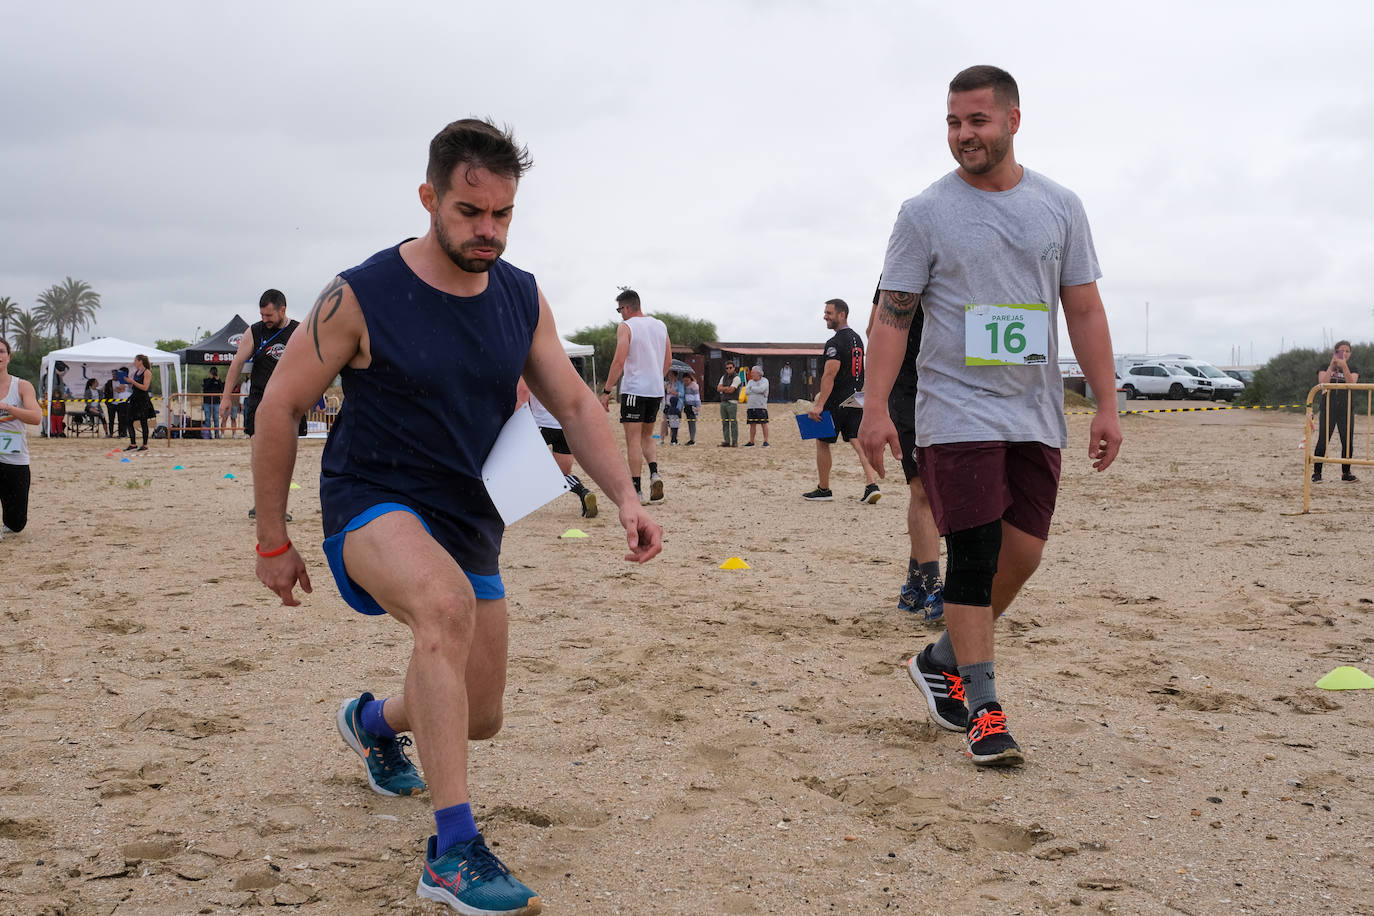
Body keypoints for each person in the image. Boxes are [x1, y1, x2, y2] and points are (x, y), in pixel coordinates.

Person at [248, 117, 662, 916]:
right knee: (443, 607)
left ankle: (373, 721)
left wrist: (627, 497)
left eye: (503, 214)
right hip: (373, 499)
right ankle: (453, 850)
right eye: (471, 213)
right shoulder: (359, 293)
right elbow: (280, 405)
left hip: (473, 514)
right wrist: (273, 537)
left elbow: (572, 400)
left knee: (480, 716)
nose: (489, 231)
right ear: (429, 197)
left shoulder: (518, 293)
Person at [860, 65, 1122, 768]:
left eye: (976, 121)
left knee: (1024, 554)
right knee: (971, 556)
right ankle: (983, 708)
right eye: (952, 122)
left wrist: (1107, 402)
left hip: (1034, 411)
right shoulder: (924, 213)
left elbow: (1085, 308)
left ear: (1011, 120)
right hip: (955, 410)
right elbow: (892, 317)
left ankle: (939, 659)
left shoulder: (1059, 206)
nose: (963, 135)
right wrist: (877, 407)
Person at [867, 281, 943, 621]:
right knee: (923, 489)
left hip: (961, 386)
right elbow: (875, 328)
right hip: (910, 388)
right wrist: (875, 404)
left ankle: (913, 587)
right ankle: (934, 587)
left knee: (949, 488)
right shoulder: (906, 258)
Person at [221, 290, 306, 516]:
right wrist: (226, 397)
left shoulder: (299, 331)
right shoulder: (254, 331)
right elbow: (237, 363)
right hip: (259, 398)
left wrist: (317, 396)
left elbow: (312, 365)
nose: (265, 319)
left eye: (269, 315)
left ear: (282, 309)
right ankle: (262, 503)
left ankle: (280, 507)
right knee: (259, 451)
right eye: (262, 315)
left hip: (289, 399)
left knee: (283, 456)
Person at [598, 289, 672, 505]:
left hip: (634, 390)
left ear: (627, 307)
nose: (619, 313)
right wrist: (657, 379)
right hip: (655, 390)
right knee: (647, 436)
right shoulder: (660, 325)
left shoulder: (626, 326)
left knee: (632, 440)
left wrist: (606, 391)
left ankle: (637, 490)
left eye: (619, 309)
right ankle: (655, 474)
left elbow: (619, 361)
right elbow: (668, 360)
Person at [806, 299, 880, 503]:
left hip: (837, 399)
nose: (825, 316)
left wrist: (820, 404)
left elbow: (830, 374)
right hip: (857, 397)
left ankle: (824, 489)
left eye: (829, 313)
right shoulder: (857, 339)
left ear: (842, 315)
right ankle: (871, 484)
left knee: (822, 441)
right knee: (856, 440)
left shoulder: (835, 342)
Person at [517, 377, 598, 517]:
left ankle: (505, 503)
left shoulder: (528, 362)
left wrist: (517, 424)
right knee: (561, 475)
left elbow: (523, 392)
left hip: (542, 424)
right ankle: (583, 492)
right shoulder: (561, 361)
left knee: (518, 463)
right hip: (566, 426)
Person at [0, 338, 40, 542]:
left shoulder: (22, 386)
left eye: (1, 352)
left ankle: (10, 522)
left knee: (16, 523)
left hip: (15, 457)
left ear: (8, 356)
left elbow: (36, 417)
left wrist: (9, 408)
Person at [1312, 340, 1360, 483]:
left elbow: (1352, 383)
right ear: (1335, 352)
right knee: (1323, 440)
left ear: (1350, 354)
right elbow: (1322, 384)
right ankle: (1317, 473)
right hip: (1328, 408)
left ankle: (1346, 473)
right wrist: (1332, 367)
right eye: (1341, 351)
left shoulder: (1353, 367)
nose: (1344, 354)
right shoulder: (1324, 367)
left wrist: (1344, 366)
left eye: (1347, 351)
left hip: (1346, 409)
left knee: (1347, 441)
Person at [124, 354, 157, 451]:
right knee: (129, 420)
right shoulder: (136, 372)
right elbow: (135, 386)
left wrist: (133, 382)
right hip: (134, 398)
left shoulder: (147, 372)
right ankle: (133, 443)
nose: (134, 362)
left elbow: (145, 387)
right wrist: (128, 382)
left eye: (135, 360)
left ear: (140, 361)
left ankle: (145, 444)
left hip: (143, 400)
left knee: (143, 422)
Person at [716, 359, 740, 446]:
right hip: (724, 402)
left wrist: (724, 388)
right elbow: (718, 388)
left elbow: (731, 390)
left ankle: (734, 441)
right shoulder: (723, 377)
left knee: (733, 422)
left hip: (732, 402)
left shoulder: (737, 378)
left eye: (730, 367)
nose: (728, 369)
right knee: (724, 423)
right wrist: (727, 388)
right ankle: (726, 441)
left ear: (734, 368)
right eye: (727, 368)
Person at [744, 366, 770, 446]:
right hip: (751, 406)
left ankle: (766, 441)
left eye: (753, 372)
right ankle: (751, 441)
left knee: (764, 424)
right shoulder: (750, 382)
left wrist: (752, 389)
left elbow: (762, 389)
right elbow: (746, 391)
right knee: (752, 424)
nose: (751, 374)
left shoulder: (765, 381)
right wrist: (755, 389)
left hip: (761, 406)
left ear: (758, 373)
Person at [202, 366, 224, 439]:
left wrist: (219, 380)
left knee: (216, 419)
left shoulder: (218, 381)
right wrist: (211, 379)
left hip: (216, 403)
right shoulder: (206, 380)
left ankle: (217, 434)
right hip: (207, 402)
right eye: (212, 373)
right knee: (207, 418)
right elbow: (205, 387)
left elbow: (222, 389)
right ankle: (208, 434)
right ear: (210, 373)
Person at [683, 373, 701, 445]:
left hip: (693, 406)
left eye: (687, 380)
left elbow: (697, 396)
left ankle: (692, 439)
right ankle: (691, 438)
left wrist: (698, 406)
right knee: (689, 422)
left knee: (692, 423)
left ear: (690, 379)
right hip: (687, 405)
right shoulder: (684, 386)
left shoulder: (694, 386)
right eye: (684, 381)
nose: (686, 382)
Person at [102, 373, 118, 438]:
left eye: (116, 374)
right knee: (111, 419)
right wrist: (107, 402)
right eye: (113, 374)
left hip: (120, 404)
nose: (114, 376)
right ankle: (111, 433)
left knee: (121, 419)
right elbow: (105, 392)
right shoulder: (109, 382)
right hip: (111, 404)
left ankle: (122, 433)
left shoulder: (122, 382)